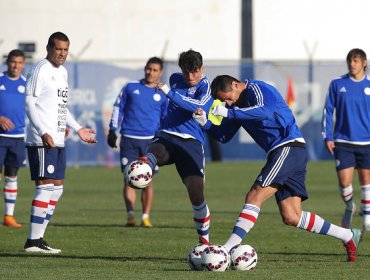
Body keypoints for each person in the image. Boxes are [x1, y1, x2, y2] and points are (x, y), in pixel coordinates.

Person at [193, 74, 363, 262]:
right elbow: (224, 136)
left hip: (287, 146)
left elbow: (265, 111)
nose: (228, 103)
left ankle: (227, 249)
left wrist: (229, 113)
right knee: (291, 215)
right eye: (224, 101)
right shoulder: (236, 106)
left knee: (254, 195)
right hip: (288, 151)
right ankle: (348, 235)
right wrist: (205, 124)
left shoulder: (258, 89)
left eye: (227, 98)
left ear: (235, 85)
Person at [23, 32, 97, 254]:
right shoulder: (40, 69)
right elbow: (29, 102)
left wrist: (78, 128)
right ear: (48, 48)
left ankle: (39, 238)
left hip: (58, 139)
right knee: (45, 186)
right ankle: (32, 242)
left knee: (56, 189)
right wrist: (43, 131)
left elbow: (61, 109)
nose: (62, 53)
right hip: (42, 140)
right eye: (58, 49)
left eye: (66, 49)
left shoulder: (63, 72)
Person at [140, 49, 214, 244]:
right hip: (169, 135)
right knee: (155, 151)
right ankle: (143, 167)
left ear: (202, 68)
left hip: (192, 142)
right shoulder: (174, 78)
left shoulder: (207, 87)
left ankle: (204, 241)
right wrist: (171, 92)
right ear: (180, 69)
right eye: (187, 72)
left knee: (197, 194)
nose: (191, 77)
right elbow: (182, 102)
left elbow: (196, 105)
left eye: (195, 72)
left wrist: (169, 92)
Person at [107, 57, 167, 228]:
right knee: (129, 178)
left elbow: (165, 118)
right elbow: (118, 108)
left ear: (160, 72)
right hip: (129, 139)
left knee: (148, 180)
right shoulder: (131, 87)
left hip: (151, 142)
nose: (151, 72)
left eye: (155, 70)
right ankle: (130, 215)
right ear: (145, 69)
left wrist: (163, 139)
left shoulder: (163, 93)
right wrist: (113, 130)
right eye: (148, 69)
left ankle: (146, 216)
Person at [322, 48, 370, 232]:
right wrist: (328, 136)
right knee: (344, 181)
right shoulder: (337, 84)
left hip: (367, 142)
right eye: (350, 60)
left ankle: (367, 219)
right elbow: (327, 111)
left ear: (364, 63)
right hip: (343, 141)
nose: (352, 64)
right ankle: (350, 205)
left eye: (356, 61)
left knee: (366, 181)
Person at [0, 49, 26, 228]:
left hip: (18, 138)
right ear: (7, 62)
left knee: (11, 176)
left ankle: (9, 216)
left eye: (19, 63)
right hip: (0, 136)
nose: (15, 66)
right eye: (12, 62)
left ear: (23, 64)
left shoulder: (27, 85)